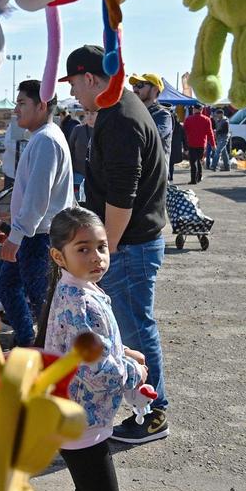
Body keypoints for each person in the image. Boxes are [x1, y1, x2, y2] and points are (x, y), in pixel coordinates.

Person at [63, 45, 170, 443]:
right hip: (130, 242)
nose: (73, 92)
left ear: (90, 78)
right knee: (129, 329)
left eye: (74, 83)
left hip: (131, 244)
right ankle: (146, 408)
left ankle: (153, 413)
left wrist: (104, 250)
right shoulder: (117, 111)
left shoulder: (122, 118)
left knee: (137, 330)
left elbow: (123, 196)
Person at [37, 207, 149, 491]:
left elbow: (90, 343)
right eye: (83, 249)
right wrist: (133, 370)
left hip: (80, 415)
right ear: (59, 257)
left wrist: (121, 350)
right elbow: (96, 369)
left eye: (101, 247)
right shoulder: (78, 301)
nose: (96, 257)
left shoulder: (79, 288)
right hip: (79, 423)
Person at [0, 80, 75, 348]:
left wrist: (16, 236)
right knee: (7, 282)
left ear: (41, 105)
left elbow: (38, 197)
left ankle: (45, 349)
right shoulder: (43, 136)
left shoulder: (46, 139)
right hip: (34, 233)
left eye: (22, 103)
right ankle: (26, 338)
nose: (16, 110)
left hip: (39, 236)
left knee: (41, 298)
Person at [130, 73, 173, 166]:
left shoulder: (163, 115)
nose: (135, 89)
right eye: (134, 86)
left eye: (140, 85)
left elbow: (153, 137)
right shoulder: (134, 112)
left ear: (155, 89)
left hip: (156, 177)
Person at [68, 109, 95, 198]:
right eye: (87, 113)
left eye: (93, 113)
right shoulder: (78, 129)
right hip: (77, 173)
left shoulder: (103, 131)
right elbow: (70, 150)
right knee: (77, 205)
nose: (90, 117)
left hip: (95, 176)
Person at [183, 107, 214, 184]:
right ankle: (199, 177)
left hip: (191, 143)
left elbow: (184, 131)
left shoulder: (188, 119)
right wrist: (213, 144)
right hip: (202, 143)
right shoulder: (207, 119)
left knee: (193, 162)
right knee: (199, 161)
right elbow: (210, 133)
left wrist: (184, 143)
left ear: (194, 110)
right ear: (201, 110)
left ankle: (193, 179)